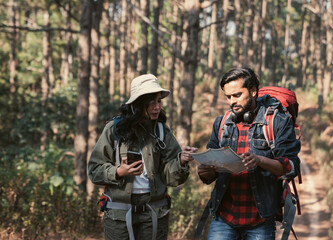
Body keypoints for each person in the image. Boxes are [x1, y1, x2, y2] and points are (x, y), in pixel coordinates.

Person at [88, 74, 197, 240]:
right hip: (119, 215)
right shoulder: (114, 130)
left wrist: (181, 161)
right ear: (138, 103)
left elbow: (172, 179)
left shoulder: (162, 131)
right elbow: (94, 170)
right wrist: (118, 171)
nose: (157, 107)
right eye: (151, 102)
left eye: (159, 101)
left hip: (154, 213)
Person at [197, 67, 301, 240]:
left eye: (237, 95)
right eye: (228, 97)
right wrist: (205, 172)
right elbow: (211, 170)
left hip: (260, 220)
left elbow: (290, 166)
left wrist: (259, 160)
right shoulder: (221, 123)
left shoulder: (277, 121)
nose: (232, 101)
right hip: (223, 217)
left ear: (253, 91)